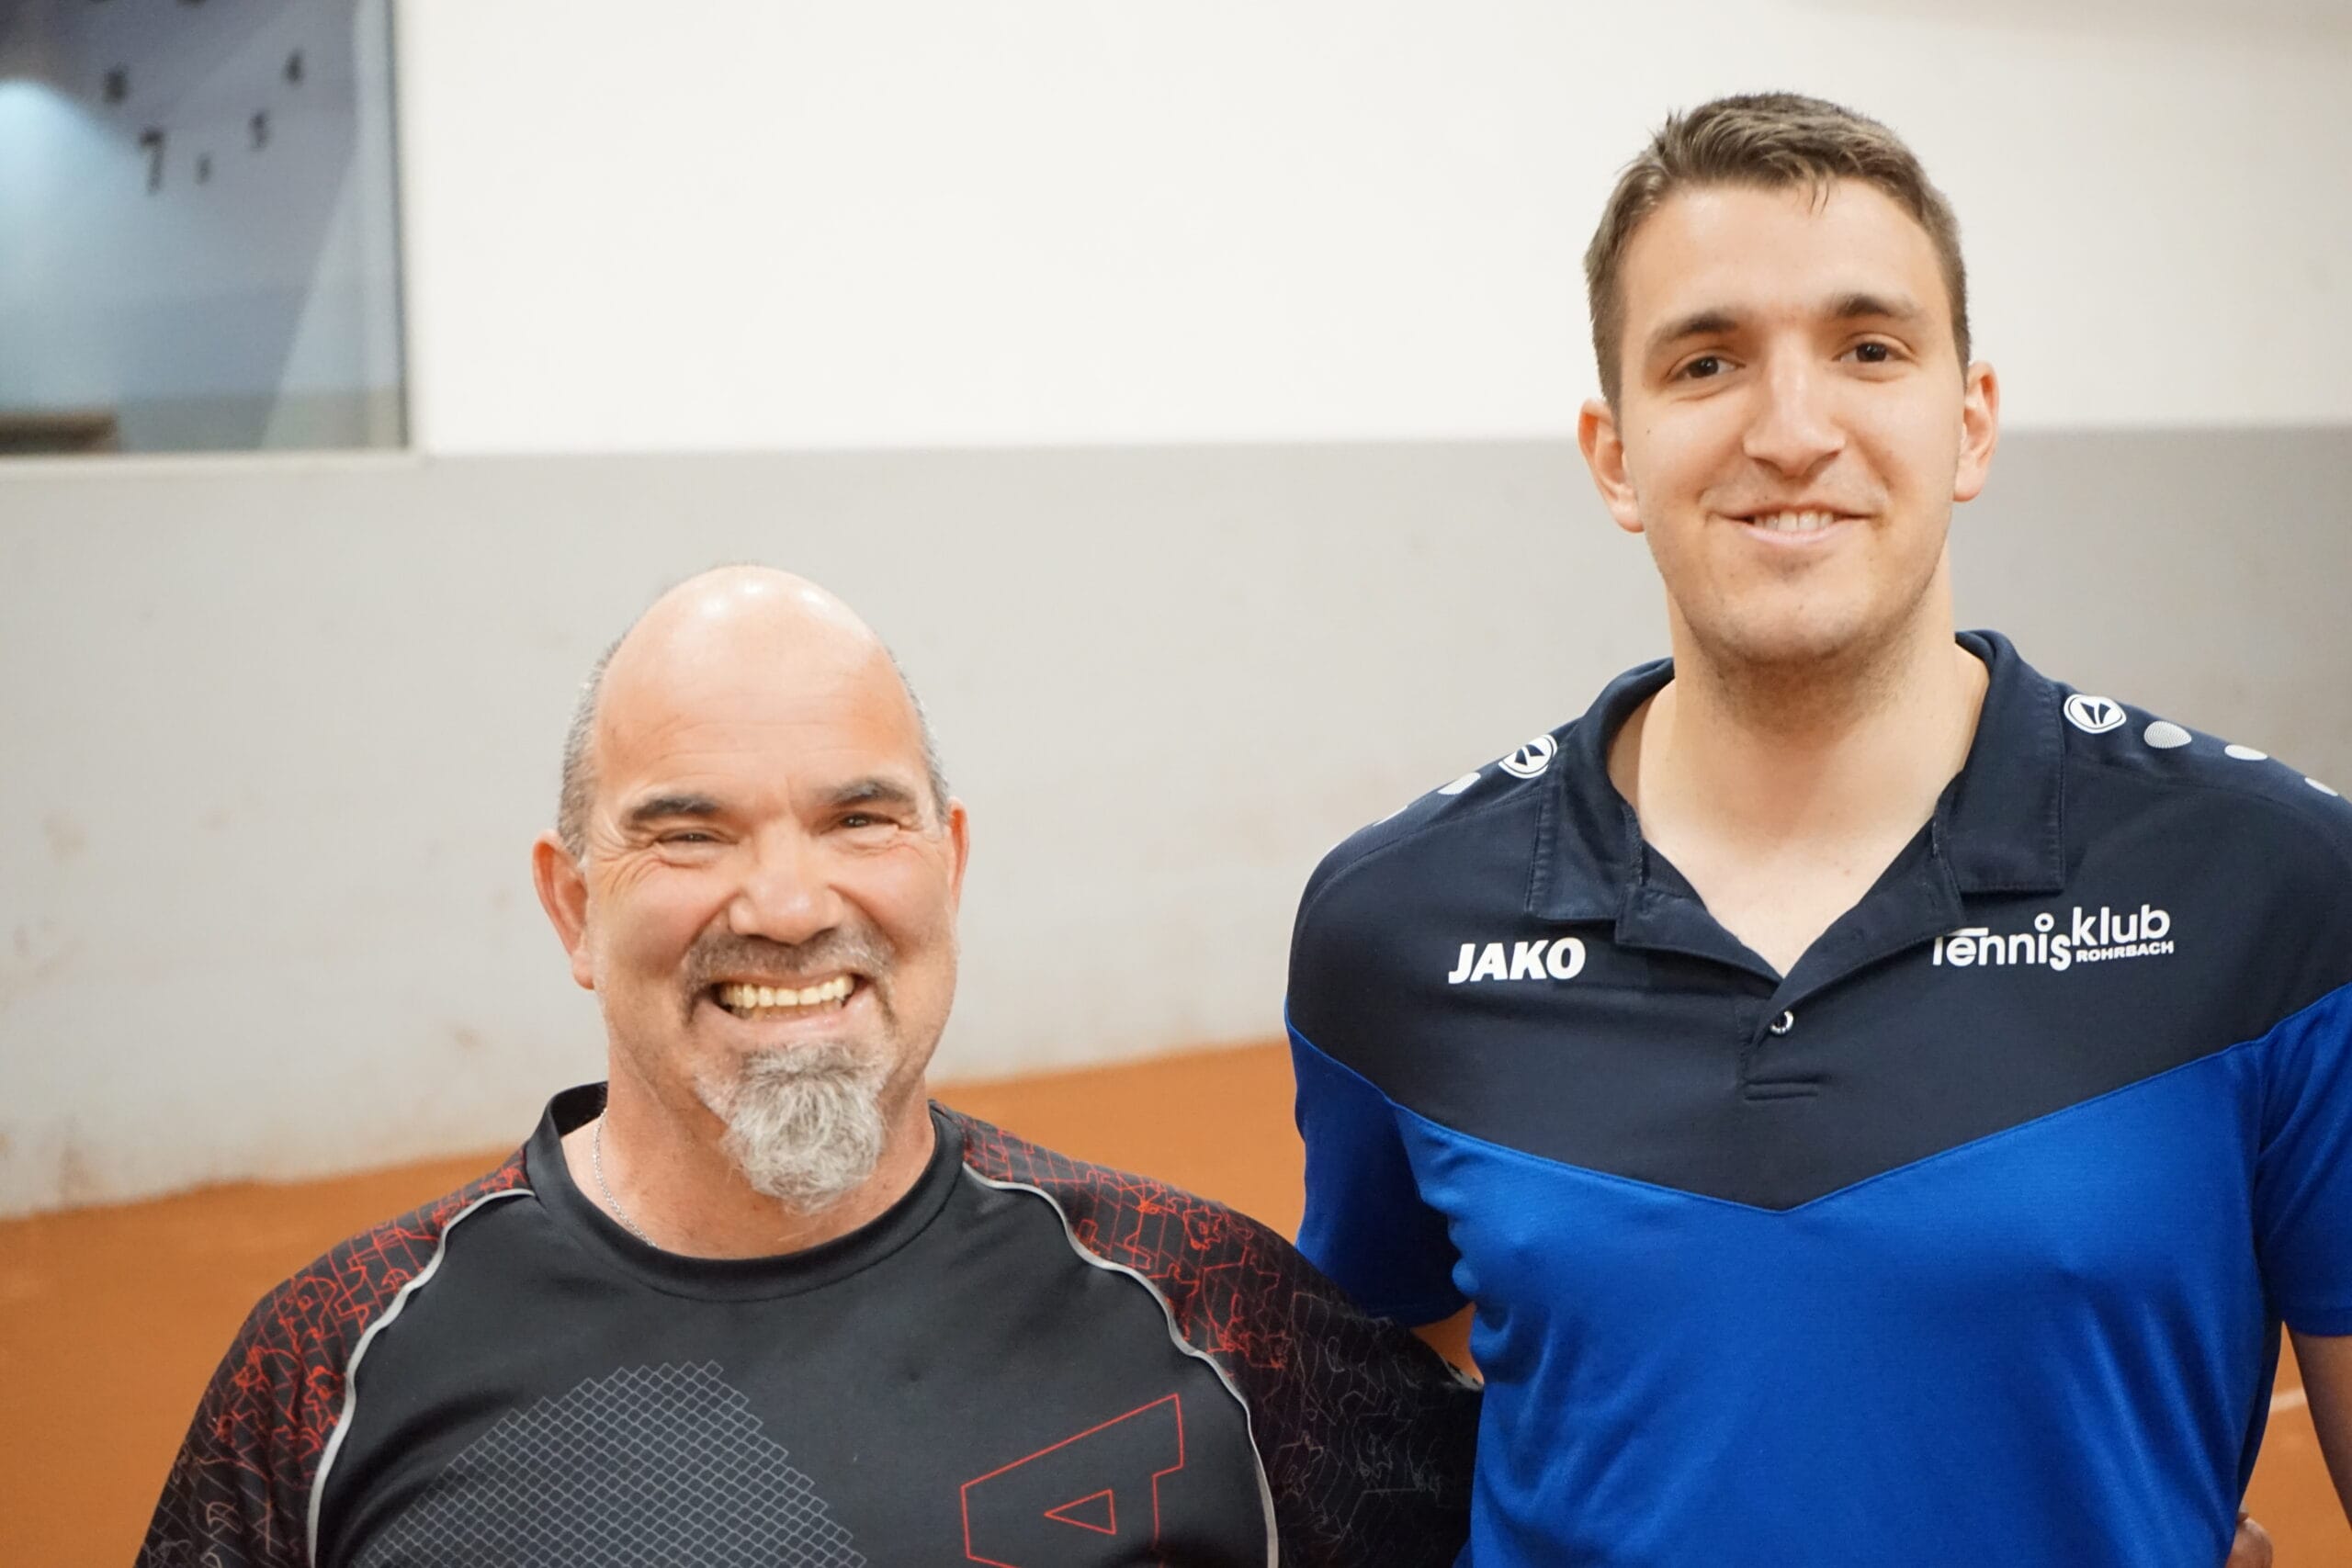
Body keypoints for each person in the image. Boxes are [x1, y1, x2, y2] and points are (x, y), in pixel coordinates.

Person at [1284, 93, 2349, 1564]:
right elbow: (1387, 1431)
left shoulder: (2273, 893)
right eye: (1707, 361)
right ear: (1614, 454)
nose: (1792, 432)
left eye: (1869, 349)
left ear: (1969, 422)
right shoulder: (1397, 929)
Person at [139, 567, 1477, 1568]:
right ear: (573, 910)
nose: (786, 905)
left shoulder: (1223, 1319)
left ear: (949, 865)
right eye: (689, 834)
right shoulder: (328, 1374)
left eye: (860, 818)